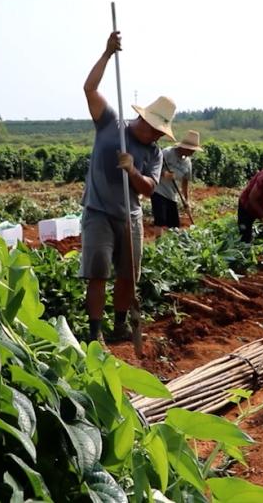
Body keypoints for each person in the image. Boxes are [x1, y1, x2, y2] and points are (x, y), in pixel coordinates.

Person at [81, 31, 174, 342]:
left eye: (163, 133)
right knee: (97, 273)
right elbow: (89, 88)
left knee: (127, 276)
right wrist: (107, 54)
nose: (159, 137)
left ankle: (120, 325)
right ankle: (95, 333)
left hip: (130, 217)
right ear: (144, 122)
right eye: (157, 131)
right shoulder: (110, 124)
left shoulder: (154, 153)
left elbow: (149, 188)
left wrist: (132, 169)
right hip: (98, 212)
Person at [151, 130, 201, 231]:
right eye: (191, 149)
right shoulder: (167, 153)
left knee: (174, 225)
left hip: (172, 195)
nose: (193, 152)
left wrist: (186, 200)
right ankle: (158, 243)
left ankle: (172, 245)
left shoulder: (187, 163)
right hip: (158, 191)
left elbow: (185, 182)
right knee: (160, 220)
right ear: (184, 147)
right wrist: (163, 174)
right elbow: (151, 167)